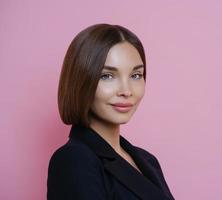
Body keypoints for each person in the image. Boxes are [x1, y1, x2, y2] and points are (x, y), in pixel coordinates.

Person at [47, 24, 175, 200]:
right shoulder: (74, 160)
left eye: (136, 75)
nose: (126, 90)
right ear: (82, 81)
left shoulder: (147, 161)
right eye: (107, 76)